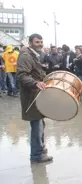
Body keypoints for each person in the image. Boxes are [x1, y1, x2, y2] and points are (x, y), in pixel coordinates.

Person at [16, 33, 53, 163]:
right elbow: (21, 75)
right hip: (31, 96)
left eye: (41, 42)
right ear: (30, 42)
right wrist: (35, 82)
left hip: (36, 94)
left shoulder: (33, 54)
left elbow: (32, 71)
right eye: (37, 42)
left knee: (40, 124)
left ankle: (40, 149)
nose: (40, 44)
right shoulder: (26, 56)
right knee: (37, 126)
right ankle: (36, 155)